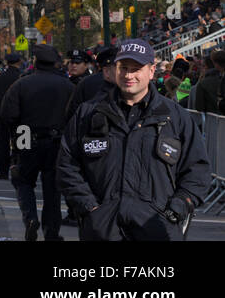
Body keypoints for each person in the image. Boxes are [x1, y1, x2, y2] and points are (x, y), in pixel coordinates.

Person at [57, 38, 212, 241]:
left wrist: (178, 207)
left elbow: (198, 171)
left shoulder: (175, 116)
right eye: (123, 67)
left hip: (157, 228)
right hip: (102, 229)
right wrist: (90, 208)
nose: (129, 75)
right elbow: (67, 165)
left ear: (151, 70)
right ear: (113, 70)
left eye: (136, 68)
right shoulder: (88, 114)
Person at [0, 44, 72, 241]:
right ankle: (52, 233)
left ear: (35, 62)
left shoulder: (22, 84)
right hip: (56, 138)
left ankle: (30, 217)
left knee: (23, 179)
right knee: (52, 189)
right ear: (55, 63)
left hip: (25, 134)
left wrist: (17, 131)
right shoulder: (67, 85)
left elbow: (7, 114)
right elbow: (76, 115)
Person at [0, 52, 23, 179]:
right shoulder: (22, 77)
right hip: (21, 118)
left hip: (2, 116)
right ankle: (20, 169)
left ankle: (3, 172)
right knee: (21, 145)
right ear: (19, 62)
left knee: (3, 144)